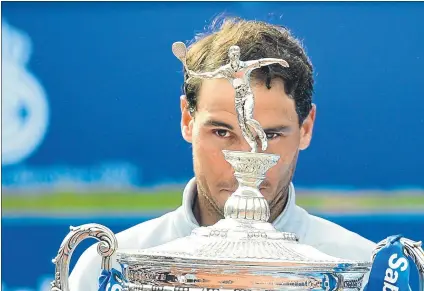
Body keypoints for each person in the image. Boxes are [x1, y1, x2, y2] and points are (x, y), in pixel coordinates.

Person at [69, 16, 376, 291]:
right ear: (187, 121)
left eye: (269, 135)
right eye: (222, 132)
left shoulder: (362, 270)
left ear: (306, 128)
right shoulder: (109, 268)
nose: (246, 155)